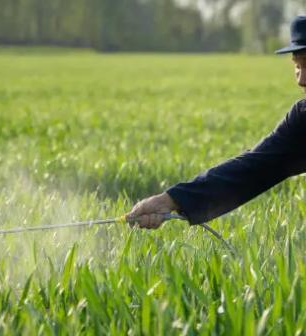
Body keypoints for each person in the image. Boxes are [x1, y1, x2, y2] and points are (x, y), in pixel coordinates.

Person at [127, 15, 306, 229]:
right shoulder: (302, 119)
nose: (301, 79)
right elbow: (254, 167)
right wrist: (170, 200)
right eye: (297, 66)